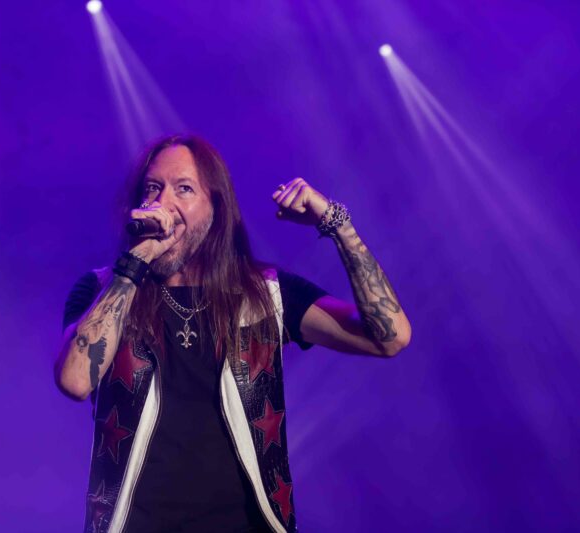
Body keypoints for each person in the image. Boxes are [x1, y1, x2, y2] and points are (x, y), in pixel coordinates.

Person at [55, 134, 411, 533]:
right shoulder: (103, 290)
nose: (162, 203)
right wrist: (135, 262)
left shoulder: (267, 295)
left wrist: (336, 224)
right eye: (153, 188)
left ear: (215, 208)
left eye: (183, 189)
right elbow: (74, 381)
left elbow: (390, 337)